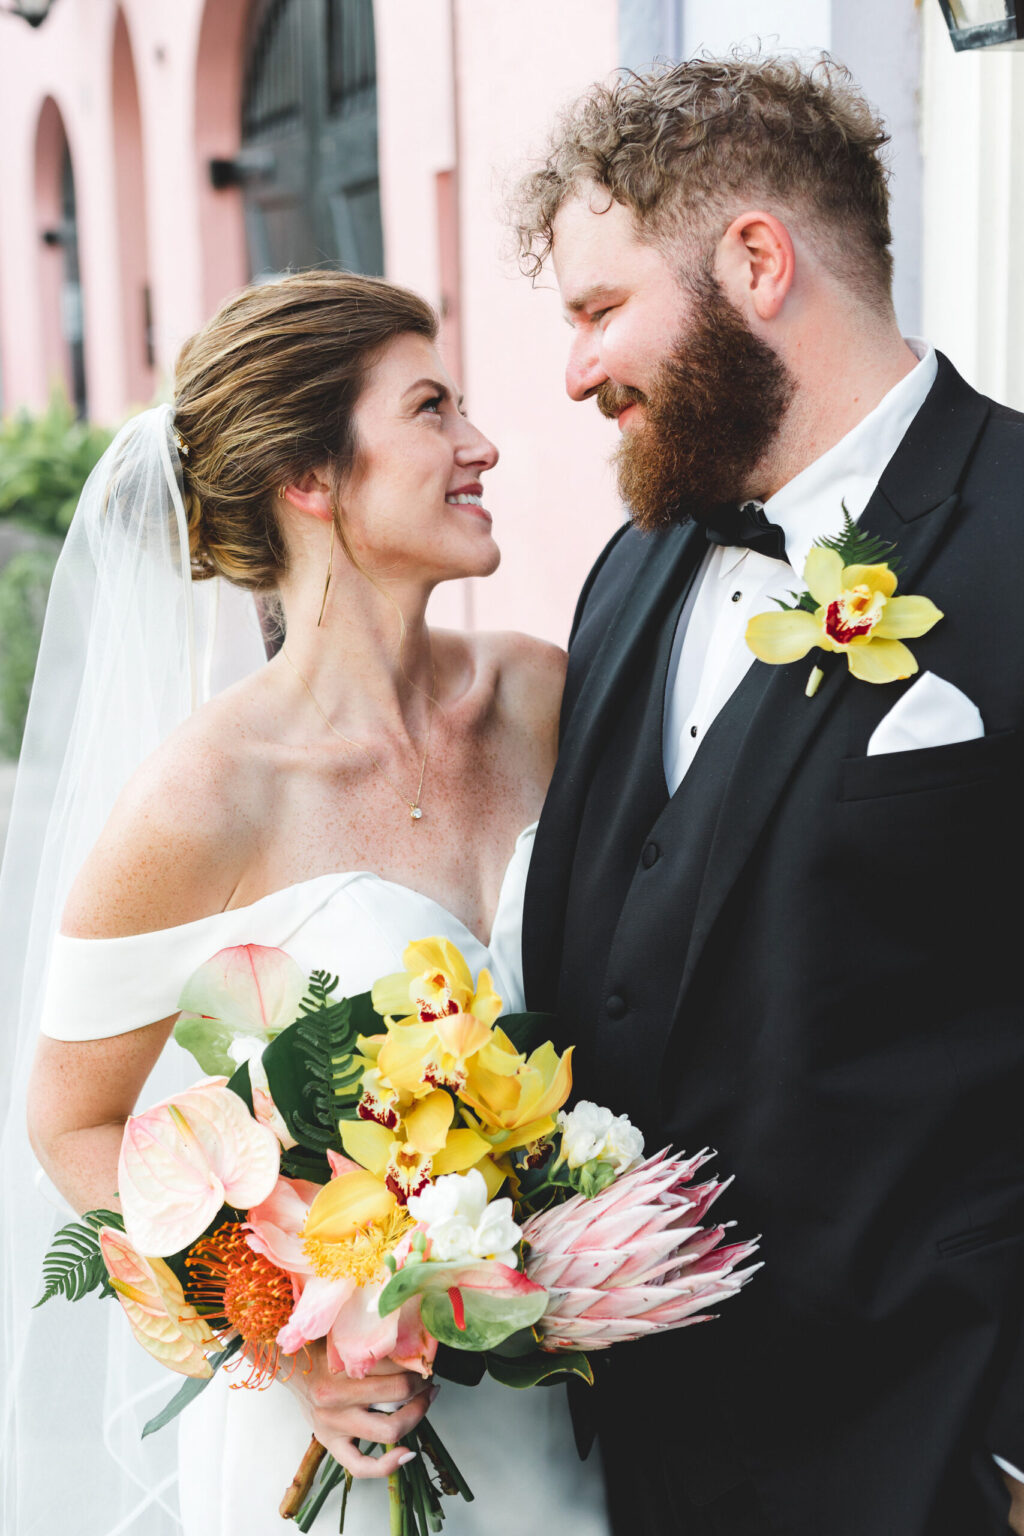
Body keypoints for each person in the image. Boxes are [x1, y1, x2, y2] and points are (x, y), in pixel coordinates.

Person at [0, 270, 608, 1536]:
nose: (481, 444)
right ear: (310, 480)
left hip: (575, 1397)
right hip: (348, 1446)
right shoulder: (203, 798)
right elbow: (71, 1120)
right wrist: (286, 1336)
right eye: (433, 409)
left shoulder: (543, 698)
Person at [512, 54, 1024, 1536]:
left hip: (936, 1458)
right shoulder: (635, 568)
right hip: (646, 1467)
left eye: (602, 310)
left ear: (755, 261)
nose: (574, 373)